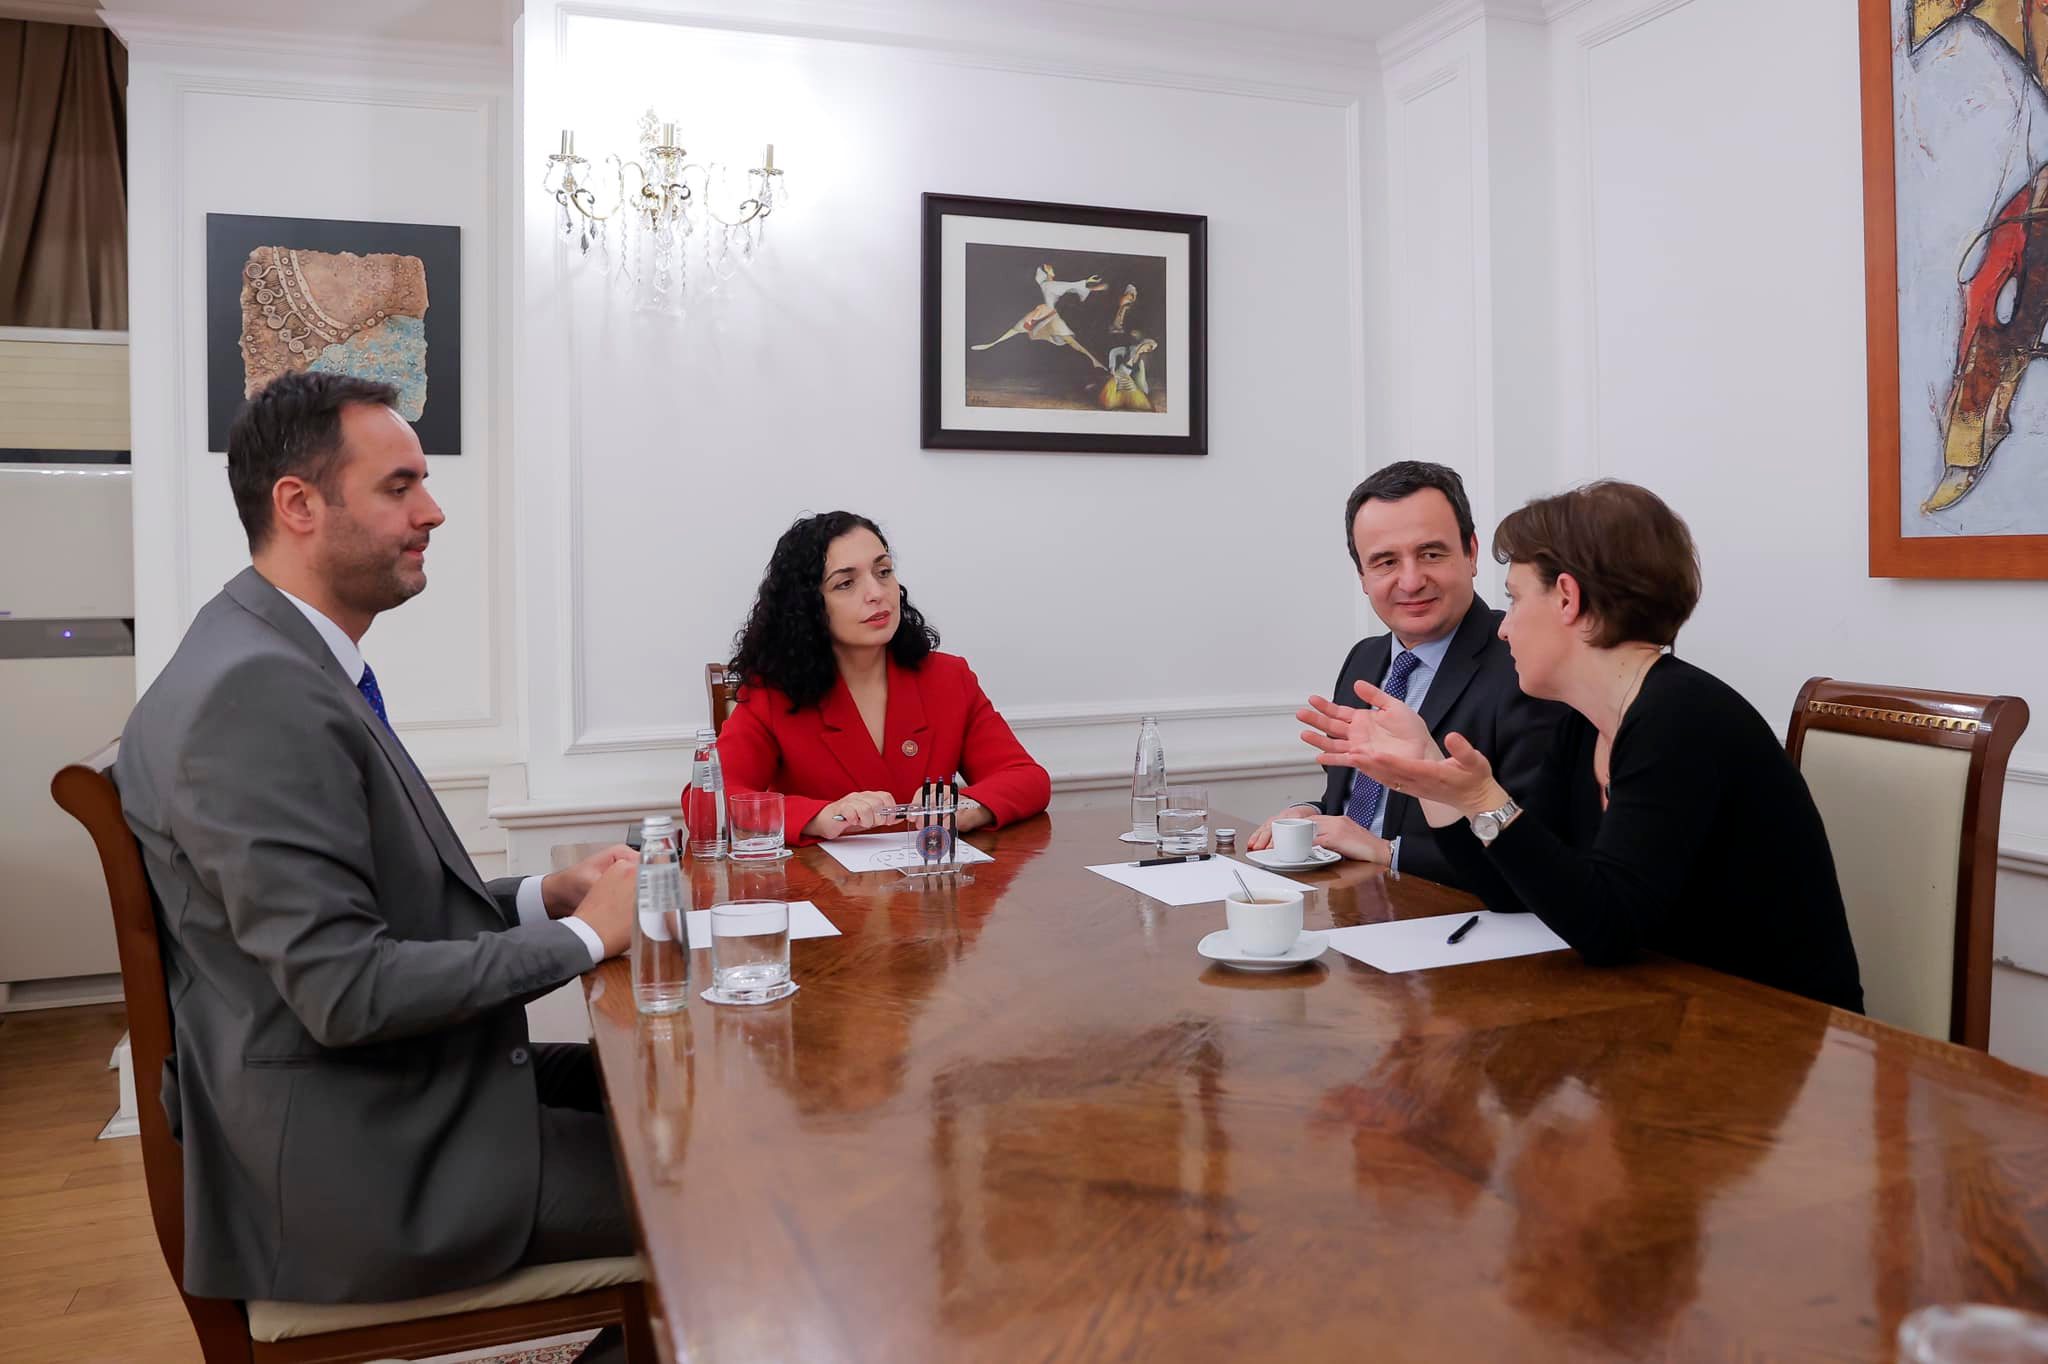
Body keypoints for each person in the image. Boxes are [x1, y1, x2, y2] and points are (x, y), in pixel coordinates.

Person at [116, 373, 639, 1359]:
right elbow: (345, 989)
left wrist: (542, 897)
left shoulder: (271, 655)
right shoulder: (253, 696)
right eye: (400, 486)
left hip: (378, 1100)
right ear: (298, 504)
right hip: (362, 1167)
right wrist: (582, 938)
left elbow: (366, 911)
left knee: (667, 1096)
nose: (432, 511)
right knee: (733, 1186)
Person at [1301, 480, 1863, 1012]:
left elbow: (1608, 927)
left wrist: (1483, 799)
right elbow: (1510, 892)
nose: (1503, 628)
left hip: (1768, 1028)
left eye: (1515, 600)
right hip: (1657, 1008)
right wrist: (1431, 776)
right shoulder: (1585, 720)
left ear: (1567, 598)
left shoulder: (1681, 718)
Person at [1247, 462, 1566, 887]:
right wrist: (1310, 815)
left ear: (1471, 553)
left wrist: (1389, 852)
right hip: (1347, 899)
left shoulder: (1523, 665)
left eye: (1431, 554)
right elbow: (1360, 810)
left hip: (1451, 910)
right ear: (1362, 575)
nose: (1411, 581)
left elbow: (1536, 850)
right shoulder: (1365, 659)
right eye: (1385, 562)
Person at [717, 511, 1051, 844]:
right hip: (821, 877)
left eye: (884, 572)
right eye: (845, 583)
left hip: (932, 874)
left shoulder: (949, 678)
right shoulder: (772, 694)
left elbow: (1026, 777)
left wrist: (969, 807)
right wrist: (819, 817)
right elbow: (714, 798)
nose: (877, 592)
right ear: (806, 606)